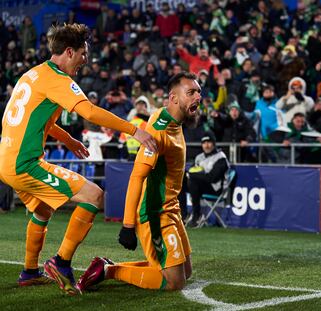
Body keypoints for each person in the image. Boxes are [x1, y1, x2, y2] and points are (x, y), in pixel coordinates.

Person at [0, 23, 156, 295]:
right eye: (83, 54)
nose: (86, 60)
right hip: (24, 164)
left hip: (7, 159)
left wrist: (68, 140)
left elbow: (40, 120)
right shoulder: (58, 79)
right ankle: (61, 262)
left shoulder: (32, 75)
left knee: (42, 210)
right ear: (69, 52)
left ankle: (29, 271)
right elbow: (91, 112)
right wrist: (135, 130)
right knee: (94, 195)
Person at [77, 72, 201, 291]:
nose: (198, 97)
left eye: (199, 92)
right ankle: (109, 271)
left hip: (171, 209)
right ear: (173, 98)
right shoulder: (159, 131)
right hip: (155, 213)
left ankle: (107, 266)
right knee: (174, 282)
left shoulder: (175, 119)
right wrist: (127, 225)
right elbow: (137, 176)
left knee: (185, 272)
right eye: (191, 92)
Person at [187, 132, 230, 227]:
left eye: (209, 142)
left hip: (216, 189)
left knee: (193, 181)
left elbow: (212, 178)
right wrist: (190, 174)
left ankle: (196, 215)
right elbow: (191, 171)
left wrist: (193, 175)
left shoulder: (221, 157)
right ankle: (183, 214)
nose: (206, 145)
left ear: (214, 143)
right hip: (200, 186)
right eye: (204, 142)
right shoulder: (199, 157)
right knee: (179, 182)